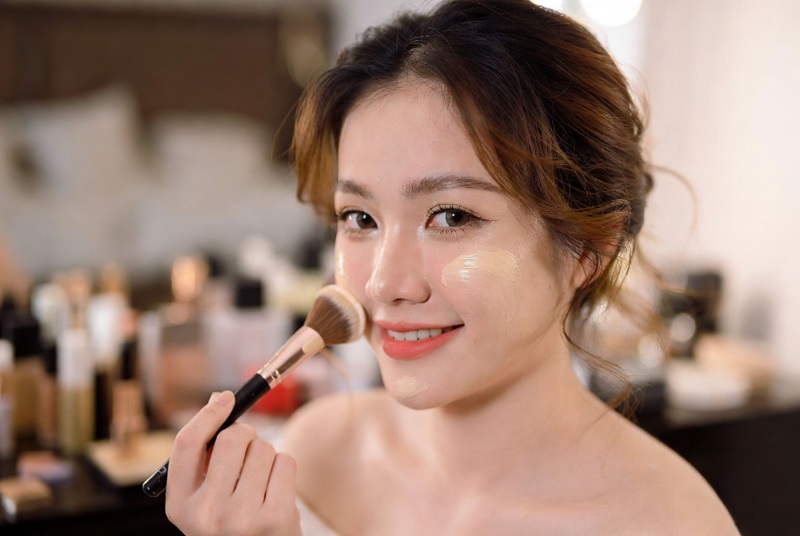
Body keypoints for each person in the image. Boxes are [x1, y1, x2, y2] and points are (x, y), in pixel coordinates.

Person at [164, 1, 740, 534]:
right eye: (360, 218)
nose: (384, 283)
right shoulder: (314, 453)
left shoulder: (669, 522)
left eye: (451, 216)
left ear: (588, 248)